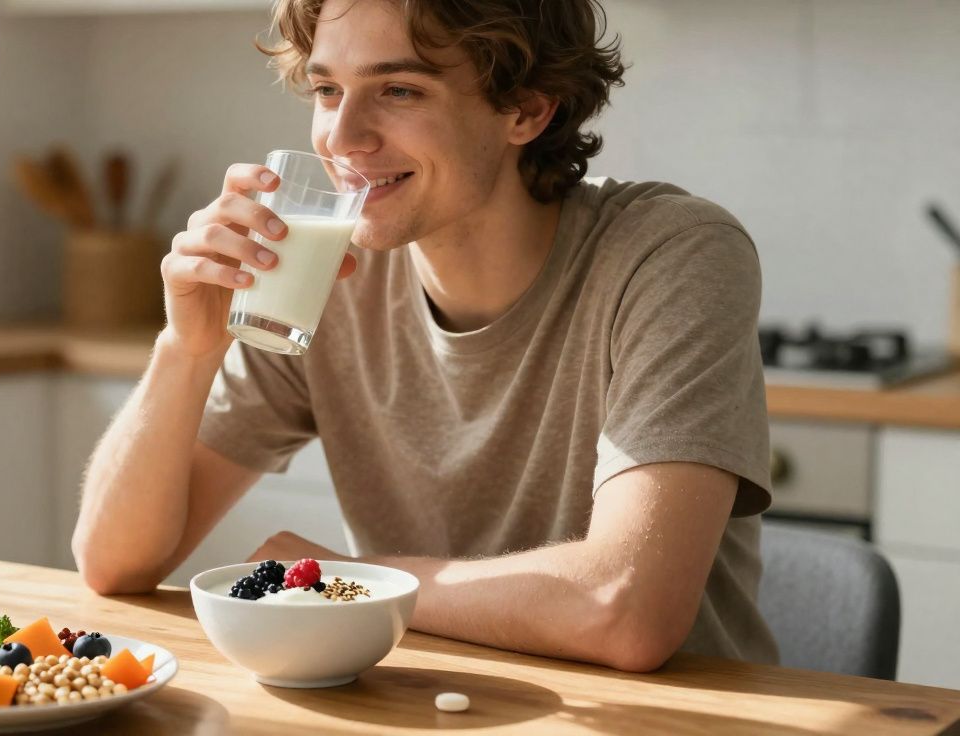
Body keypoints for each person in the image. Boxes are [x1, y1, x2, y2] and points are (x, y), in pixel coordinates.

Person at [72, 0, 778, 672]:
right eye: (326, 90)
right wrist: (185, 349)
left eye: (399, 91)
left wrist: (344, 582)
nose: (342, 139)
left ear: (527, 108)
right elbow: (114, 562)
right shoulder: (323, 275)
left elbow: (625, 609)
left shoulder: (671, 254)